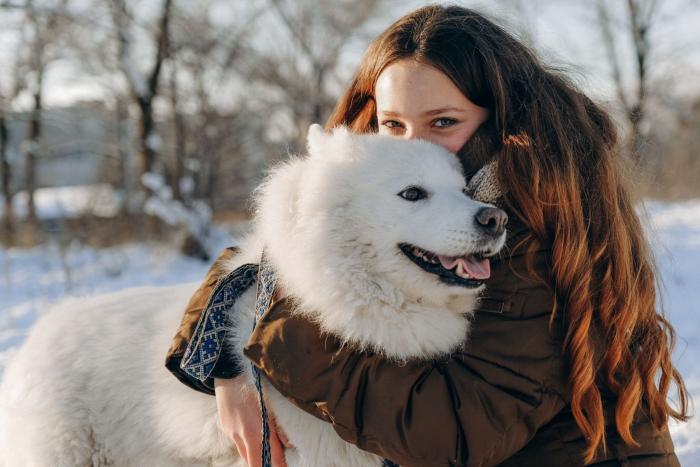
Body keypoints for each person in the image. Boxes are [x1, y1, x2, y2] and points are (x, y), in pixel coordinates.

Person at [165, 5, 689, 466]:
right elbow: (276, 253)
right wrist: (230, 360)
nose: (416, 147)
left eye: (442, 122)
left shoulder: (532, 226)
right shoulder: (413, 199)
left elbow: (456, 435)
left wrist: (267, 334)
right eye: (393, 125)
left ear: (502, 119)